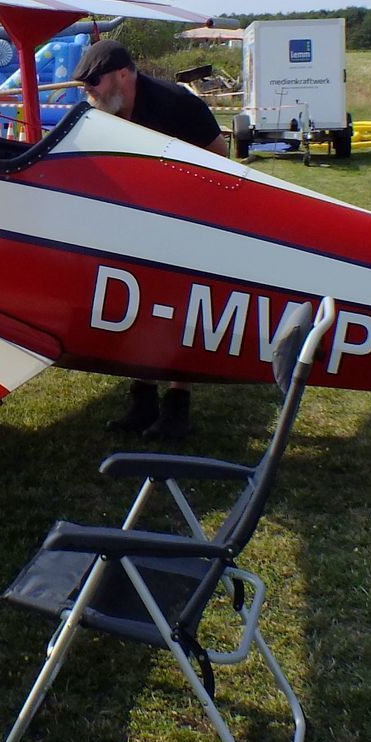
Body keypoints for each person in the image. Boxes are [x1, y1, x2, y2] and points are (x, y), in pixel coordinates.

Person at [73, 38, 227, 441]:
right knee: (135, 309)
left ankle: (177, 409)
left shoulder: (175, 104)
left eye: (96, 82)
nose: (90, 91)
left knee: (177, 309)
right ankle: (142, 402)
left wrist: (183, 202)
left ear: (124, 74)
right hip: (135, 222)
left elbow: (220, 154)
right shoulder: (105, 111)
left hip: (186, 220)